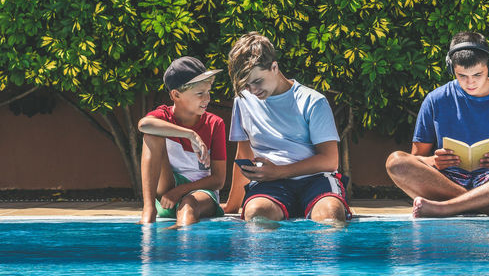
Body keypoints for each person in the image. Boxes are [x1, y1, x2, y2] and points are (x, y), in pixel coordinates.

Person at [385, 31, 489, 217]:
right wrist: (433, 161)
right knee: (396, 162)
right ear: (452, 69)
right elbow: (416, 158)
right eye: (462, 75)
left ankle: (446, 207)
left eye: (477, 74)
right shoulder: (435, 99)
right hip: (447, 182)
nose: (470, 82)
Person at [220, 31, 351, 223]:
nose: (253, 91)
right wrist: (232, 206)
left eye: (257, 81)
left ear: (274, 67)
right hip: (270, 184)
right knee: (257, 214)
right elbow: (243, 156)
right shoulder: (243, 101)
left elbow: (330, 161)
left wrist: (280, 171)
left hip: (316, 179)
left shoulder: (312, 101)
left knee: (331, 213)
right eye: (246, 85)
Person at [138, 56, 226, 226]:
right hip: (166, 193)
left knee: (188, 205)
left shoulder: (215, 124)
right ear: (176, 94)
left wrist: (179, 192)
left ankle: (183, 248)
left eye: (208, 92)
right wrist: (190, 134)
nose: (207, 98)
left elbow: (218, 179)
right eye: (200, 93)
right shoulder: (163, 116)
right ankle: (149, 209)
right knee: (151, 134)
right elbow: (144, 124)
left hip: (201, 193)